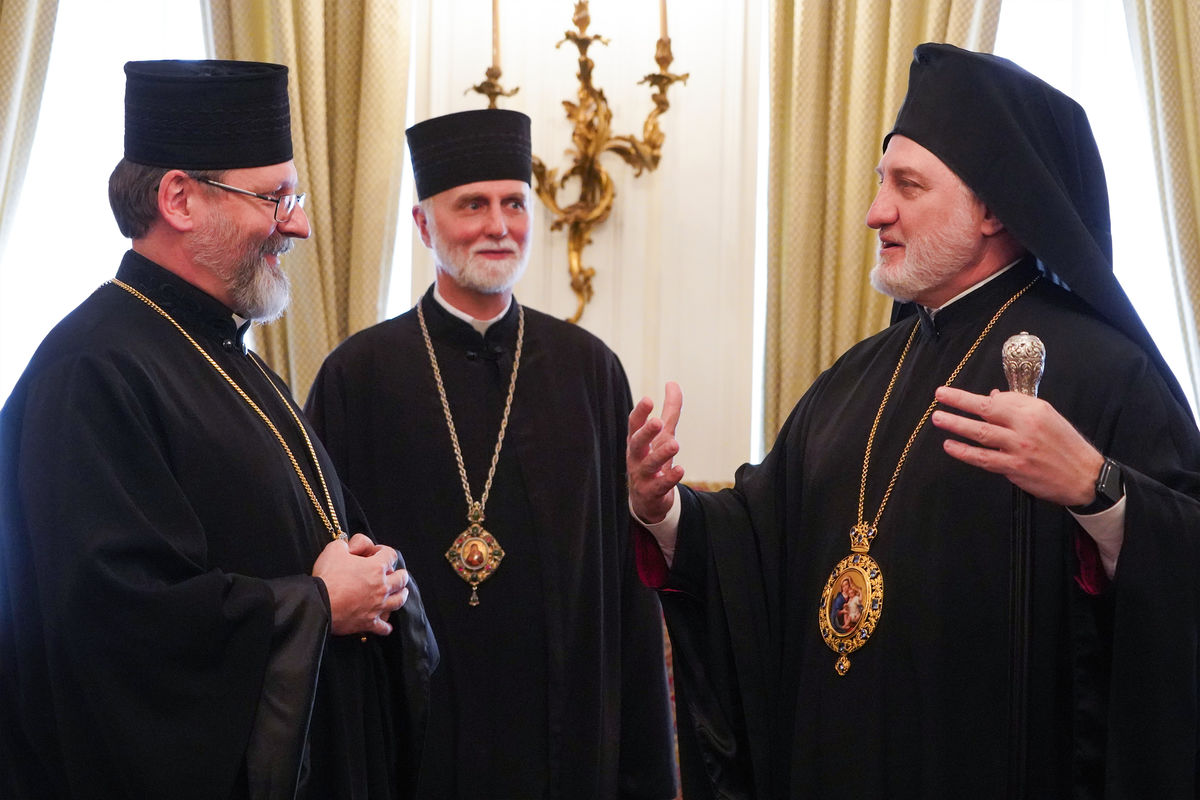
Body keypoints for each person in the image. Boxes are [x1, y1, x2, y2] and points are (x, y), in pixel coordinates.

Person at [627, 43, 1200, 798]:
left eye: (907, 185)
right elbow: (754, 548)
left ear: (994, 206)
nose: (875, 212)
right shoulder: (855, 377)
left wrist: (1100, 489)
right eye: (879, 183)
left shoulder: (1105, 374)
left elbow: (1181, 579)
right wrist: (665, 511)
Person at [0, 60, 436, 800]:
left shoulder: (224, 352)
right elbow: (111, 627)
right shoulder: (89, 372)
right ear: (179, 198)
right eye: (274, 197)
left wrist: (375, 571)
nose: (297, 222)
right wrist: (315, 605)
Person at [305, 108, 678, 799]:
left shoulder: (589, 370)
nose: (499, 225)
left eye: (513, 203)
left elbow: (624, 591)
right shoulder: (357, 376)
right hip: (413, 742)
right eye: (472, 205)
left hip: (560, 739)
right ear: (423, 225)